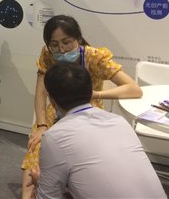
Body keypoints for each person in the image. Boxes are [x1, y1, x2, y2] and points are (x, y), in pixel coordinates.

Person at [21, 14, 142, 198]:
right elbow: (40, 93)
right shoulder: (48, 55)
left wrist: (96, 94)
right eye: (54, 44)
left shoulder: (95, 57)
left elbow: (134, 89)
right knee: (36, 146)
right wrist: (42, 125)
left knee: (81, 151)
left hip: (88, 109)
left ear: (77, 38)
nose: (61, 50)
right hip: (58, 109)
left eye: (66, 42)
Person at [30, 62, 165, 199]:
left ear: (52, 100)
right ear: (91, 93)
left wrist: (39, 183)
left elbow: (47, 197)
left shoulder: (54, 137)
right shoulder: (119, 121)